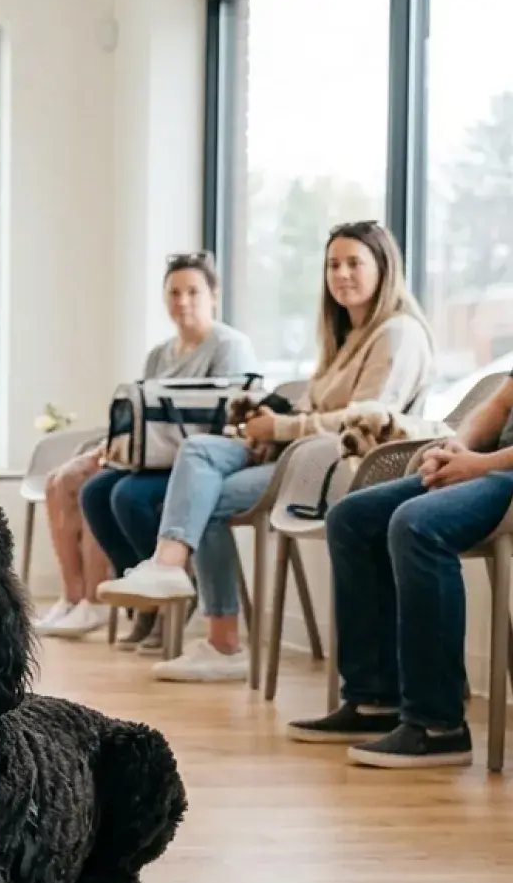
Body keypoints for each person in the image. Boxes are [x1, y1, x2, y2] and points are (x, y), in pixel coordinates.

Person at [97, 221, 433, 682]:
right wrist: (267, 430)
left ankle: (209, 622)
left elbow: (367, 419)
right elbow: (317, 407)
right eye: (333, 264)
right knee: (199, 452)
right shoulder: (345, 337)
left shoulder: (397, 334)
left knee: (204, 495)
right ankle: (174, 574)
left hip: (338, 466)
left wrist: (281, 426)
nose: (342, 274)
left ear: (384, 268)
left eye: (355, 263)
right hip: (299, 452)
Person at [282, 377, 513, 767]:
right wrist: (457, 448)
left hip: (502, 473)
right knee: (351, 517)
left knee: (416, 523)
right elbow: (499, 405)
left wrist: (479, 464)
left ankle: (439, 725)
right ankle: (374, 700)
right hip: (486, 464)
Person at [43, 252, 257, 645]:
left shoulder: (229, 347)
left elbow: (231, 423)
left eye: (193, 292)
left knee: (127, 497)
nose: (183, 302)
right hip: (155, 459)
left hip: (200, 465)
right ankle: (144, 604)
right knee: (95, 492)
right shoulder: (160, 354)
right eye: (174, 293)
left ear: (214, 295)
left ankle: (175, 590)